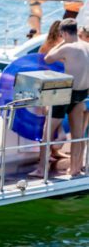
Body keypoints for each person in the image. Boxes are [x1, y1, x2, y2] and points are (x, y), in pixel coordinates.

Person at [32, 19, 89, 177]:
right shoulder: (87, 46)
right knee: (78, 136)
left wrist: (62, 43)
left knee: (47, 132)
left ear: (63, 33)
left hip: (67, 92)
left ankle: (41, 169)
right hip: (82, 93)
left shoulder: (67, 47)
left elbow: (48, 58)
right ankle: (75, 168)